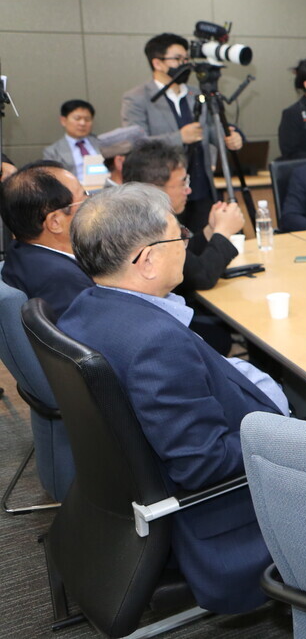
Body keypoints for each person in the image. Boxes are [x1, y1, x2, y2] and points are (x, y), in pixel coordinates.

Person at [59, 183, 288, 614]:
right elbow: (202, 464)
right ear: (146, 261)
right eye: (177, 234)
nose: (186, 240)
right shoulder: (155, 345)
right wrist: (287, 437)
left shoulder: (86, 307)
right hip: (233, 511)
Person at [121, 33, 245, 234]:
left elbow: (211, 130)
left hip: (200, 184)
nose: (185, 64)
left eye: (187, 59)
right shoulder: (137, 98)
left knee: (207, 242)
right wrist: (179, 137)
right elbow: (135, 143)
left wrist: (231, 136)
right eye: (178, 59)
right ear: (158, 63)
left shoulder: (197, 94)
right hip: (164, 190)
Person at [122, 140, 243, 295]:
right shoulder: (143, 228)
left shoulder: (137, 212)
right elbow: (201, 277)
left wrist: (210, 230)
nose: (188, 190)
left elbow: (185, 257)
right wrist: (223, 232)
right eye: (183, 183)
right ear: (154, 190)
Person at [0, 162, 92, 319]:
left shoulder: (20, 250)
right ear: (55, 222)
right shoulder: (63, 281)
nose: (92, 203)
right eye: (84, 197)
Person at [41, 99, 102, 182]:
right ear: (63, 121)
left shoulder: (100, 142)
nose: (82, 123)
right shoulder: (52, 152)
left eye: (87, 119)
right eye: (77, 118)